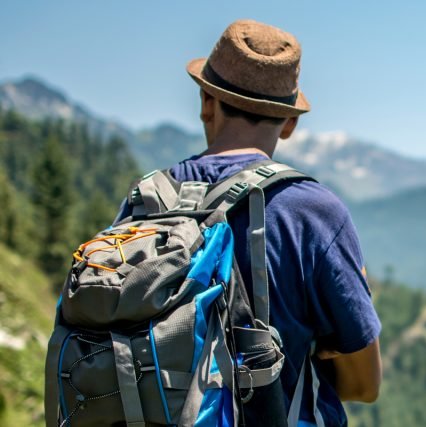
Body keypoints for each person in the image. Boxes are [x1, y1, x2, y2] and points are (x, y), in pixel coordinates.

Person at [117, 19, 382, 426]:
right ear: (290, 122)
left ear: (207, 101)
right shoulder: (313, 213)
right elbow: (364, 386)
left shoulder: (148, 200)